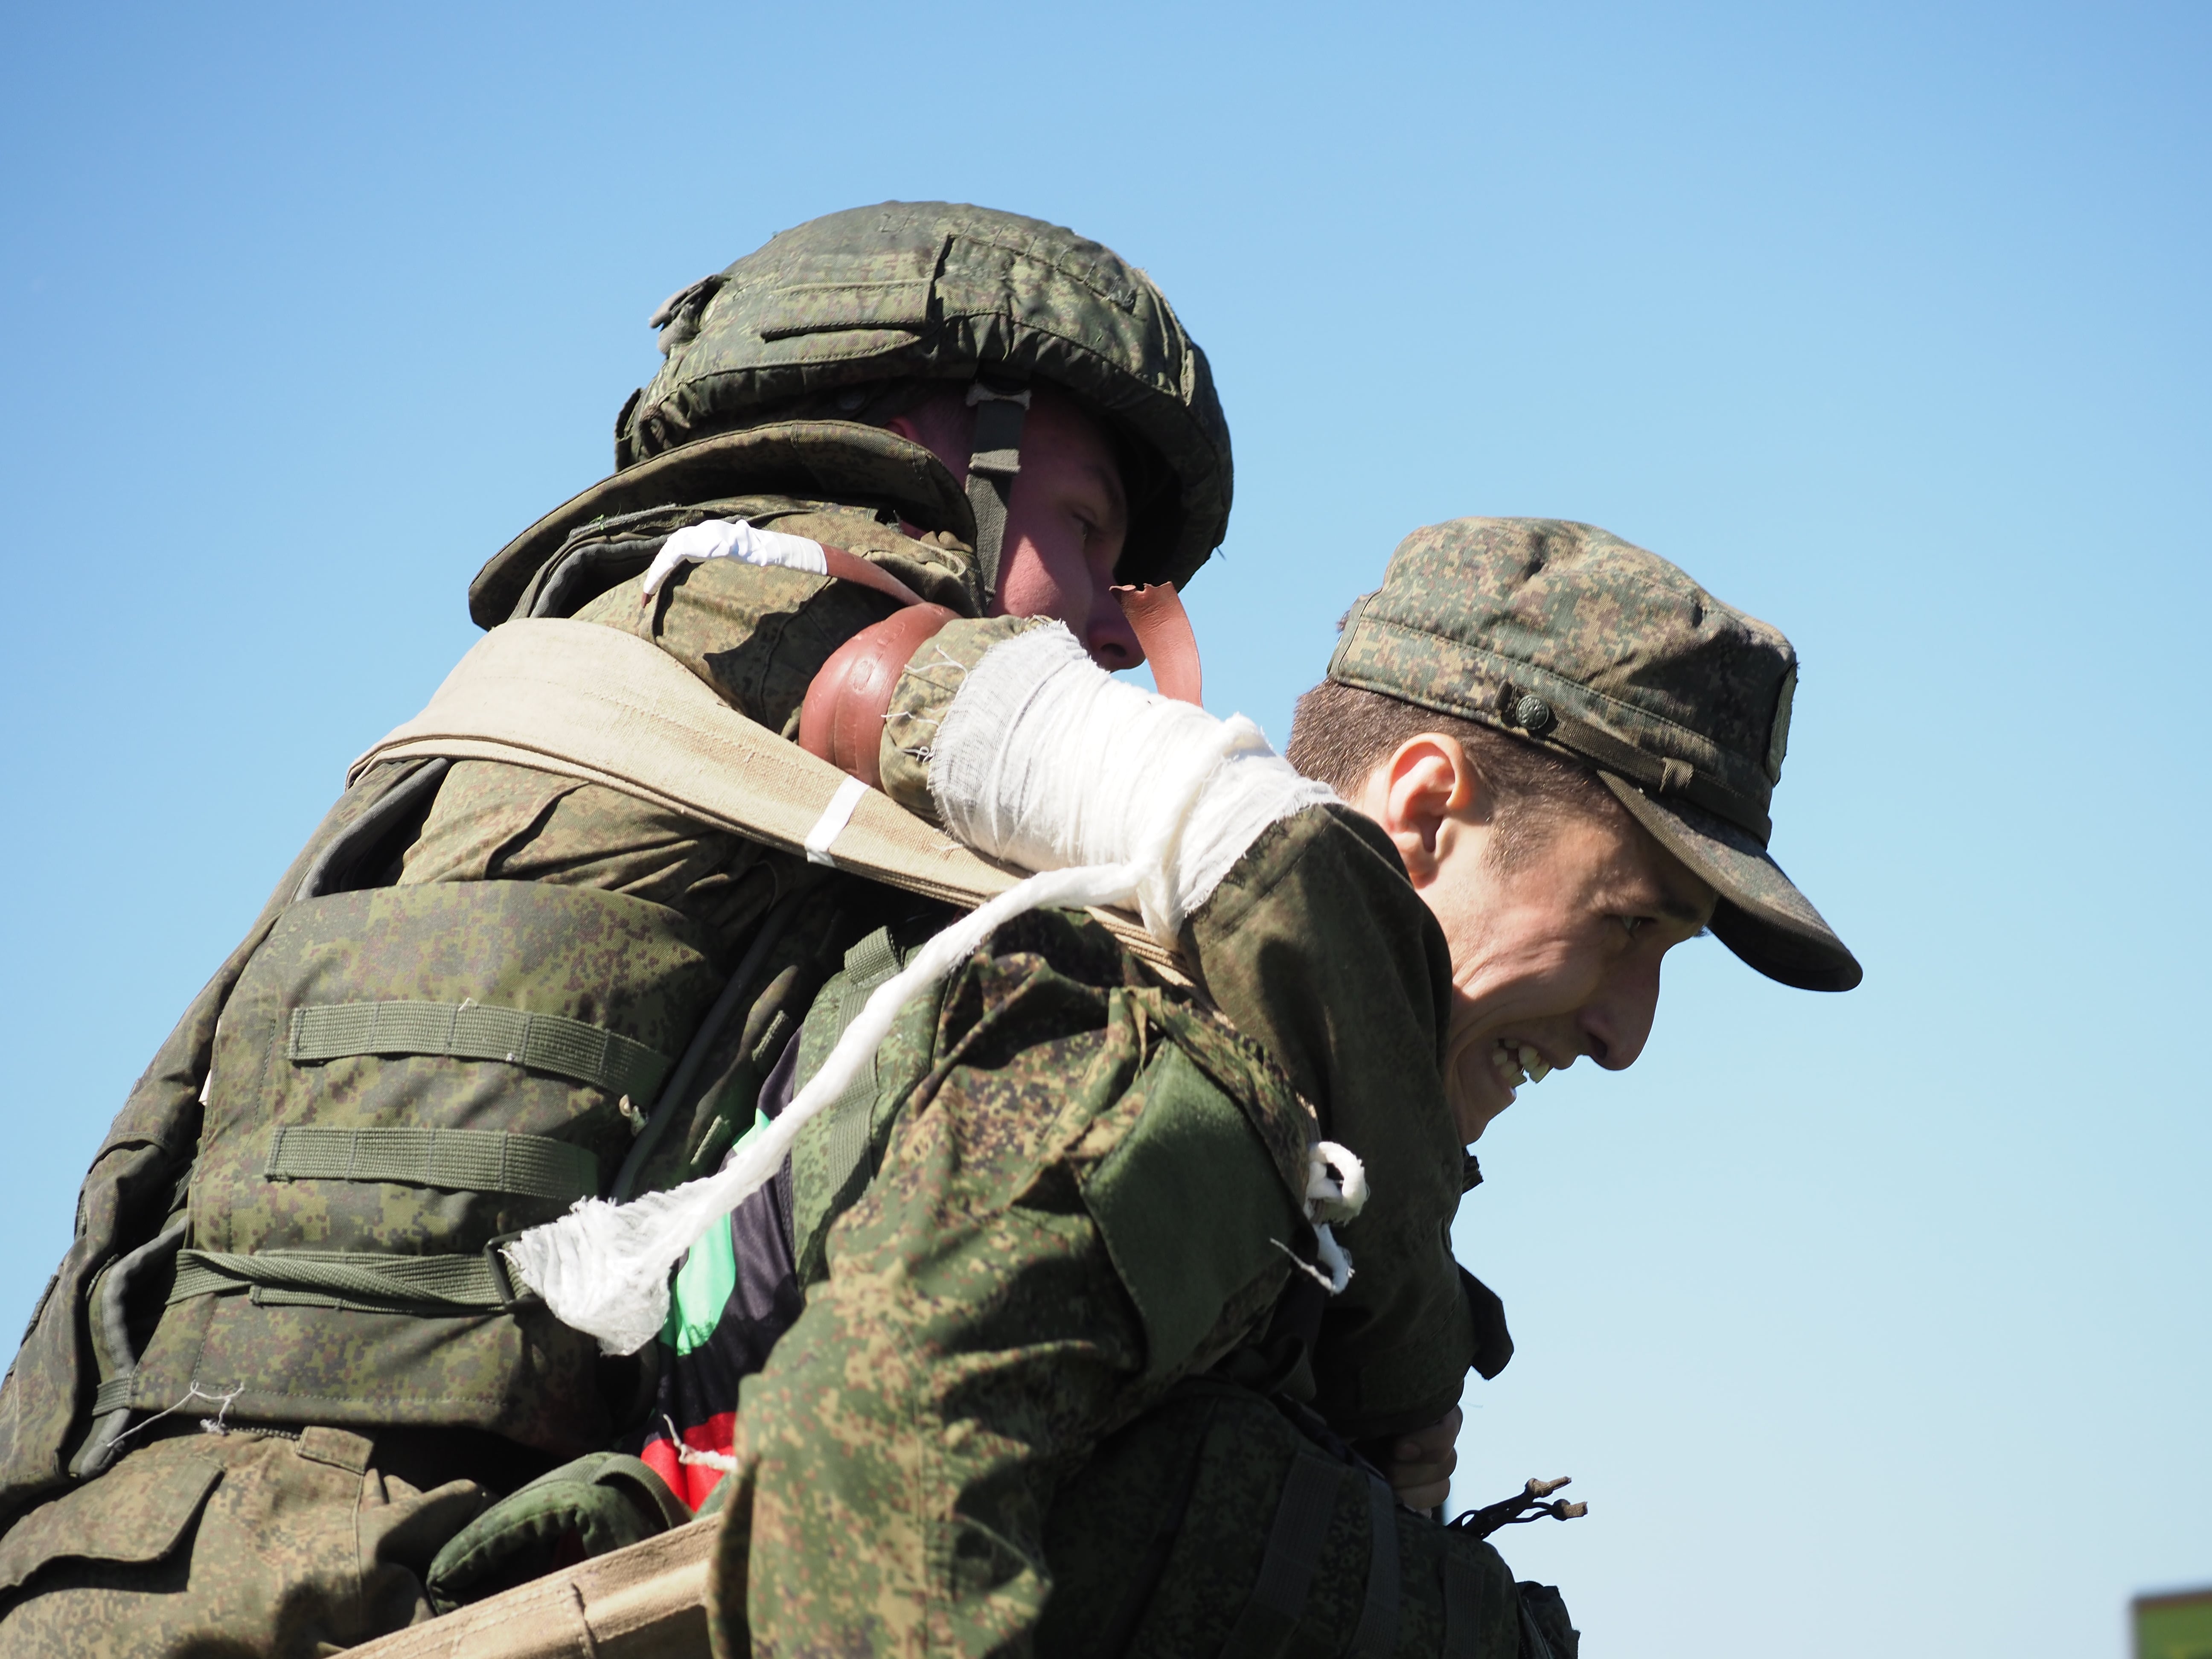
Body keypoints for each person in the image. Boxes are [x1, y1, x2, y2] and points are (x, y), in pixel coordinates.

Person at [0, 201, 1483, 1655]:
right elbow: (1276, 861)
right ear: (936, 449)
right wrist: (1407, 1376)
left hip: (118, 1586)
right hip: (396, 1594)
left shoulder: (507, 707)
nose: (1108, 615)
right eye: (1086, 529)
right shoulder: (793, 617)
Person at [646, 512, 1860, 1656]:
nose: (1626, 1032)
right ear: (1430, 809)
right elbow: (867, 1465)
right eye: (1628, 925)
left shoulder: (1292, 1170)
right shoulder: (1162, 1089)